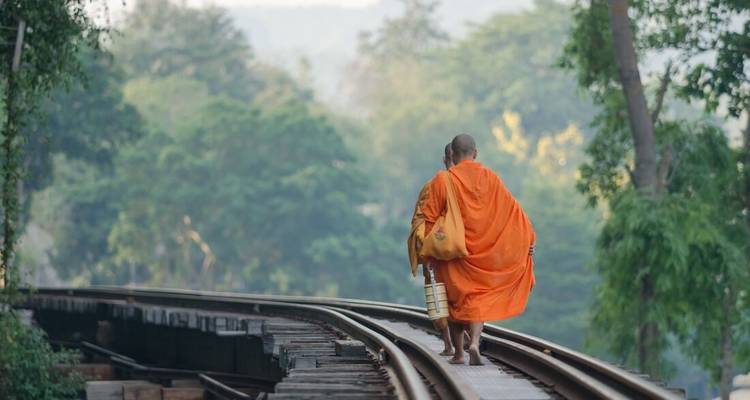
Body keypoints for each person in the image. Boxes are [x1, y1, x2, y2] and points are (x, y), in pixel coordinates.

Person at [421, 134, 536, 365]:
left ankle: (459, 354)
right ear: (476, 153)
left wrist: (428, 251)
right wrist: (528, 241)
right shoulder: (490, 178)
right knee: (478, 300)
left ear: (451, 154)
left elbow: (429, 219)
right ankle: (474, 342)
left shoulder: (442, 181)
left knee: (455, 302)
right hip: (484, 254)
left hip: (453, 254)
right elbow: (513, 212)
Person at [408, 143, 455, 356]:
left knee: (437, 292)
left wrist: (425, 246)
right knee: (461, 293)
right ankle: (466, 344)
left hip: (434, 248)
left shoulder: (432, 185)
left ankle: (448, 344)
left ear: (444, 159)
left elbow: (421, 219)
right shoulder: (469, 186)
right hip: (461, 250)